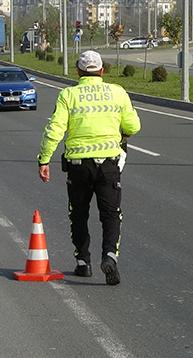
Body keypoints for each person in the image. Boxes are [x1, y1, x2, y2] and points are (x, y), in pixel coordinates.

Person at [37, 50, 141, 285]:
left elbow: (54, 130)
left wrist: (44, 160)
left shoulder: (68, 95)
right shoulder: (118, 92)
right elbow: (133, 126)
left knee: (79, 214)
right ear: (102, 70)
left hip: (78, 167)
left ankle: (83, 262)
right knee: (111, 214)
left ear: (78, 71)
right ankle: (110, 256)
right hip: (108, 165)